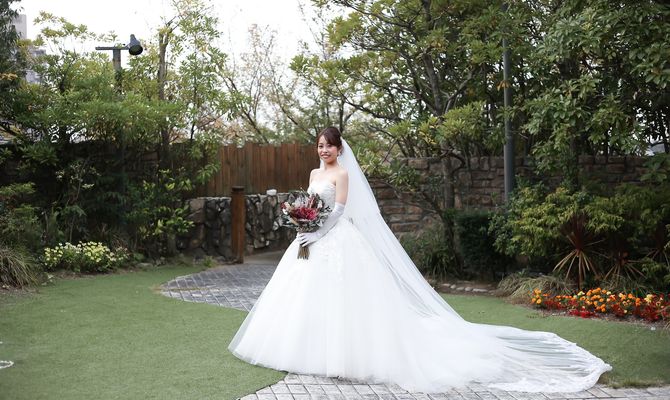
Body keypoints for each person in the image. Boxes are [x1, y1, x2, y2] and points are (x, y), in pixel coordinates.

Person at [228, 127, 611, 393]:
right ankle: (304, 349)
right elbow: (311, 203)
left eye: (329, 146)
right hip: (310, 241)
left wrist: (318, 231)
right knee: (305, 296)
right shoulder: (314, 172)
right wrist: (304, 226)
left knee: (346, 297)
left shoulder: (342, 174)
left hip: (336, 239)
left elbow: (340, 211)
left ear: (340, 149)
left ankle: (344, 356)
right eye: (319, 145)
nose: (323, 150)